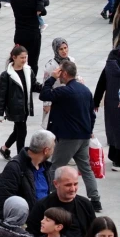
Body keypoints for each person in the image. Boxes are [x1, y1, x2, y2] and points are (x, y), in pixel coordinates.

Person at [40, 60, 101, 212]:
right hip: (84, 136)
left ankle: (52, 197)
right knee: (85, 168)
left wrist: (52, 78)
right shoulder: (85, 91)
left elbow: (44, 94)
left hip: (69, 137)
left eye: (60, 72)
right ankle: (95, 200)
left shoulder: (65, 91)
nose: (59, 74)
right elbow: (92, 115)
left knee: (55, 166)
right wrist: (89, 130)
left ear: (65, 74)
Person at [0, 130, 56, 221]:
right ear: (46, 150)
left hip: (43, 222)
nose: (53, 152)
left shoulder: (45, 167)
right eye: (53, 148)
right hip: (24, 225)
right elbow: (4, 201)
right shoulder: (14, 167)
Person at [27, 166, 96, 237]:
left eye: (75, 184)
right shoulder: (42, 206)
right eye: (68, 185)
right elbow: (31, 235)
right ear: (56, 184)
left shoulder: (85, 204)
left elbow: (94, 231)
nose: (73, 189)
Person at [0, 46, 43, 160]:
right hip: (14, 109)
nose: (24, 60)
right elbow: (1, 95)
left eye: (25, 57)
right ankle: (21, 158)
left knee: (17, 131)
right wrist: (0, 113)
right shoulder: (6, 75)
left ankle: (4, 148)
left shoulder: (28, 70)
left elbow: (34, 86)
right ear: (14, 57)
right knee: (22, 131)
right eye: (21, 58)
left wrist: (46, 87)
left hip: (25, 108)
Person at [94, 47, 120, 171]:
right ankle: (117, 161)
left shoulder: (110, 62)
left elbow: (102, 81)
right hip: (116, 103)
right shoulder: (115, 64)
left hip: (111, 103)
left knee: (114, 129)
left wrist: (96, 101)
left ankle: (114, 157)